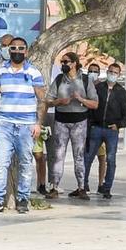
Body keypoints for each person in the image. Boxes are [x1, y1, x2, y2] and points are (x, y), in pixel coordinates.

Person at [0, 35, 45, 215]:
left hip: (26, 126)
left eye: (21, 48)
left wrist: (38, 123)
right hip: (4, 124)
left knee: (26, 163)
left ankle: (23, 199)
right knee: (1, 162)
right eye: (13, 48)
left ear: (26, 52)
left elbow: (42, 100)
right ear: (8, 50)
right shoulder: (1, 71)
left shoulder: (33, 72)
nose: (17, 51)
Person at [47, 51, 97, 199]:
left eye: (66, 62)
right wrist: (59, 101)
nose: (63, 64)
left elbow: (95, 104)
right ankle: (54, 187)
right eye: (62, 62)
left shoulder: (86, 80)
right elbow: (49, 100)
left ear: (74, 63)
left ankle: (81, 187)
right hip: (61, 120)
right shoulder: (59, 79)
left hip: (79, 121)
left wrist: (81, 99)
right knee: (58, 155)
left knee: (79, 155)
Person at [87, 61, 126, 199]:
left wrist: (119, 125)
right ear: (107, 72)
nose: (112, 74)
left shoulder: (121, 92)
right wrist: (91, 124)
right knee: (87, 157)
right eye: (110, 71)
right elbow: (91, 107)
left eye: (115, 72)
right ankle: (83, 185)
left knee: (110, 159)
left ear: (119, 75)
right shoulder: (99, 88)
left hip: (111, 130)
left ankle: (106, 188)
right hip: (96, 128)